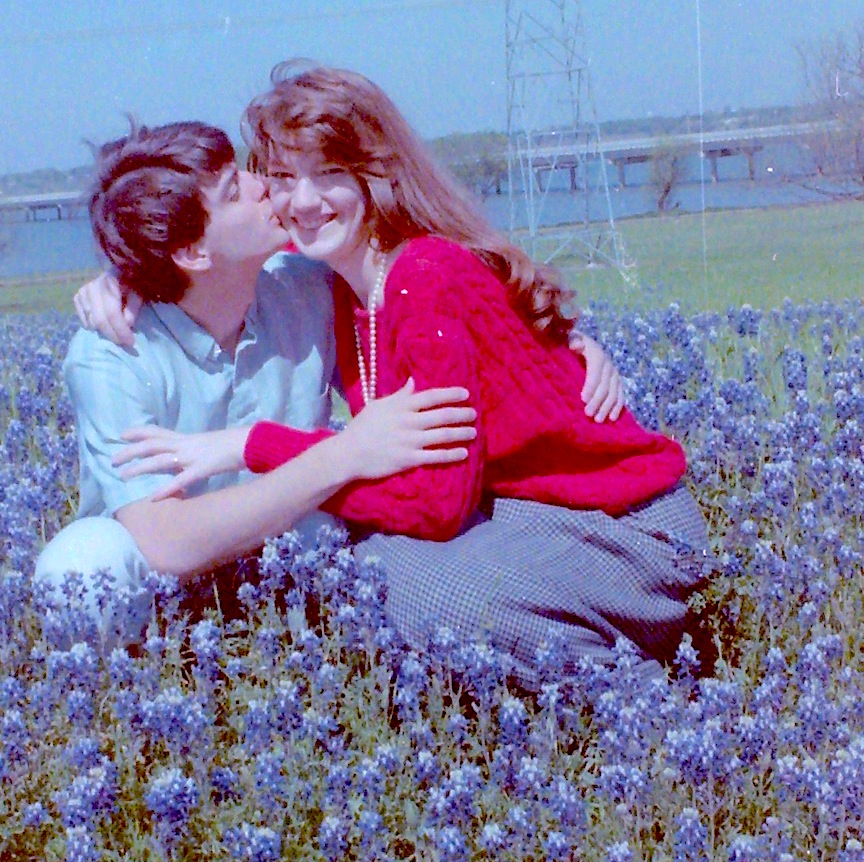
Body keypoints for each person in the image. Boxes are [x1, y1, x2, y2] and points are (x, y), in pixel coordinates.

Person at [90, 63, 708, 688]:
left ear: (374, 173)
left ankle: (648, 704)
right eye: (280, 176)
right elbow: (194, 250)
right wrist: (129, 277)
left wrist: (254, 446)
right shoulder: (332, 277)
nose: (300, 201)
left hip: (628, 529)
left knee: (417, 590)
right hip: (528, 512)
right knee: (378, 566)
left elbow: (437, 507)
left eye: (329, 172)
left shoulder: (421, 277)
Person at [33, 118, 480, 646]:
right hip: (164, 582)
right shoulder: (111, 353)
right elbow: (165, 541)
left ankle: (323, 664)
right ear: (192, 254)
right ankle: (120, 705)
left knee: (346, 532)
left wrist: (554, 332)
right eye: (234, 191)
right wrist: (344, 454)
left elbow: (419, 265)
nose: (262, 183)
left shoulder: (307, 286)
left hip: (290, 552)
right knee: (79, 569)